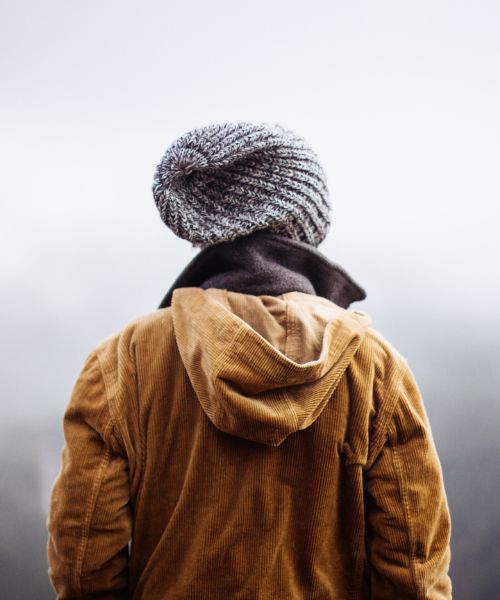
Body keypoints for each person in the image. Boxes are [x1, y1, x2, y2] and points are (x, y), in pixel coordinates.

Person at [46, 122, 452, 599]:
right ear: (306, 224)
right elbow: (413, 569)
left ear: (208, 232)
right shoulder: (374, 366)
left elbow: (82, 560)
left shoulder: (123, 362)